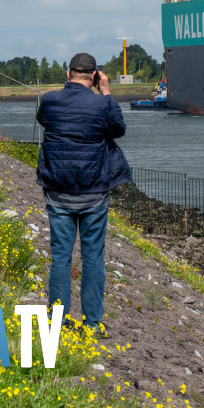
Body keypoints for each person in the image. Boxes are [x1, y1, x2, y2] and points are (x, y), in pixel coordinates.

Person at [35, 52, 131, 333]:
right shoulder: (102, 105)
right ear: (94, 76)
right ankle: (91, 322)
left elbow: (45, 122)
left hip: (58, 193)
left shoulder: (50, 101)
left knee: (61, 258)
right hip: (94, 193)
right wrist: (107, 92)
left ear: (68, 75)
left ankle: (57, 321)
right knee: (93, 259)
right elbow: (118, 129)